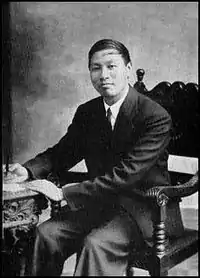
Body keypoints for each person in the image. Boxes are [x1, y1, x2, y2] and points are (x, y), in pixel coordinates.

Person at [3, 39, 184, 276]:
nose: (103, 75)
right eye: (95, 68)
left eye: (111, 66)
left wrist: (65, 192)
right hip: (99, 203)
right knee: (45, 235)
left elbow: (126, 175)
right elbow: (62, 153)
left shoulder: (155, 116)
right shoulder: (88, 112)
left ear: (128, 69)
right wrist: (27, 170)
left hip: (144, 210)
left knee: (95, 245)